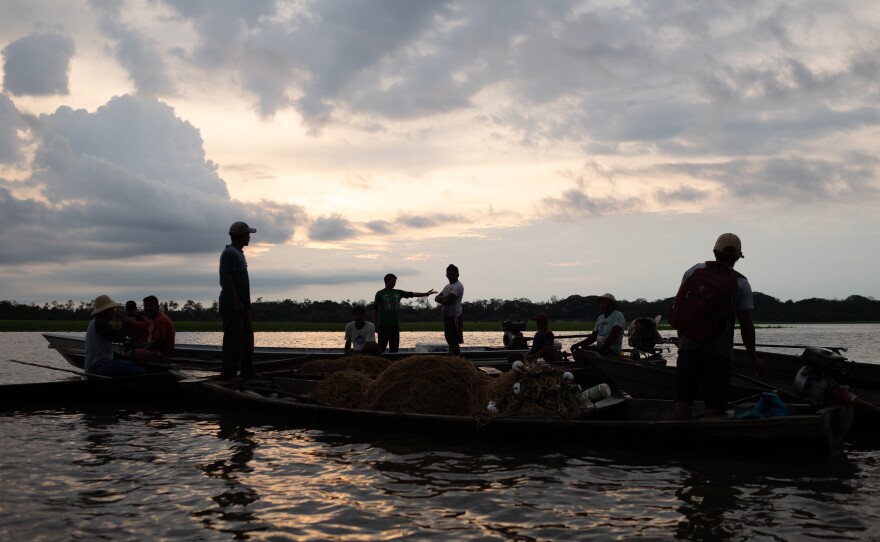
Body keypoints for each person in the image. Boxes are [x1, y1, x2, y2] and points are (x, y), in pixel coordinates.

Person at [673, 233, 765, 420]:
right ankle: (709, 440)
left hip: (689, 344)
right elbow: (746, 325)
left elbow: (680, 306)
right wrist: (753, 358)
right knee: (714, 403)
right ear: (738, 257)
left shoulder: (693, 271)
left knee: (683, 398)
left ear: (714, 252)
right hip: (719, 350)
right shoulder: (741, 283)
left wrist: (683, 338)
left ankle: (679, 437)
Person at [219, 221, 257, 379]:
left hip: (242, 306)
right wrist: (236, 302)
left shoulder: (238, 253)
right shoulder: (230, 253)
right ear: (240, 236)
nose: (249, 237)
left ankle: (247, 372)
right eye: (247, 234)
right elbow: (227, 280)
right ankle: (229, 374)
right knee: (233, 341)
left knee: (247, 340)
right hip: (233, 305)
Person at [373, 273, 436, 353]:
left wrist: (426, 294)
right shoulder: (380, 293)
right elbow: (375, 310)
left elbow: (412, 294)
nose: (395, 283)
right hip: (383, 326)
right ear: (387, 281)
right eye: (393, 281)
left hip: (394, 326)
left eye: (395, 281)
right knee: (381, 349)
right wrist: (375, 324)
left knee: (394, 349)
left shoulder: (398, 292)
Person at [84, 294, 146, 377]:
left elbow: (109, 351)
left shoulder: (97, 322)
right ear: (104, 311)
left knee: (129, 363)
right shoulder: (101, 323)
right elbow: (118, 338)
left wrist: (126, 358)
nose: (114, 312)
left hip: (100, 364)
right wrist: (127, 324)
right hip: (98, 367)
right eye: (112, 310)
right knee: (136, 370)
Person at [128, 295, 176, 364]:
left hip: (164, 355)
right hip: (158, 352)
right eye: (145, 306)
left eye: (150, 306)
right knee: (131, 351)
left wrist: (141, 349)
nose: (147, 309)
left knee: (132, 354)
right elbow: (140, 325)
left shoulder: (161, 319)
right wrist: (136, 346)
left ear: (157, 307)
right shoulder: (153, 320)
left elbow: (158, 343)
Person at [434, 264, 464, 356]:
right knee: (449, 338)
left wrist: (442, 299)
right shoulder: (447, 286)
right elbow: (436, 298)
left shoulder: (458, 286)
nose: (450, 276)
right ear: (446, 275)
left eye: (453, 274)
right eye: (449, 274)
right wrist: (444, 298)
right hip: (446, 316)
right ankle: (452, 356)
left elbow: (447, 301)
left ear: (457, 274)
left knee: (454, 340)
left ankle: (456, 358)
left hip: (454, 316)